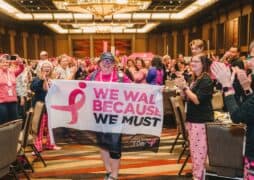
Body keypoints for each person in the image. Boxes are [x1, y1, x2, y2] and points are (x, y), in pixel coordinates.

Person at [86, 52, 131, 180]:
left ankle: (114, 175)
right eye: (104, 61)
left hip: (117, 117)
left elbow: (136, 90)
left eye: (109, 61)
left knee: (115, 146)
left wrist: (154, 90)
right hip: (98, 116)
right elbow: (81, 89)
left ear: (114, 64)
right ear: (99, 63)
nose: (106, 64)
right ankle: (108, 170)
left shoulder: (121, 77)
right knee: (103, 144)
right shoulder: (93, 76)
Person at [174, 55, 214, 180]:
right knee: (195, 152)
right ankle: (197, 175)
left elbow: (197, 100)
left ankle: (198, 177)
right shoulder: (195, 78)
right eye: (192, 61)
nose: (193, 63)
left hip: (200, 120)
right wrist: (181, 88)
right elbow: (186, 97)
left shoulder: (206, 80)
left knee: (199, 153)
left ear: (203, 64)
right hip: (193, 119)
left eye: (196, 61)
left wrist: (185, 87)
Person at [30, 60, 61, 152]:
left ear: (51, 69)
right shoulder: (37, 78)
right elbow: (33, 88)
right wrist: (42, 80)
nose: (47, 68)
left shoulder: (54, 78)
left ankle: (50, 144)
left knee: (51, 126)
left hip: (51, 106)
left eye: (48, 67)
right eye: (45, 66)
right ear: (41, 68)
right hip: (41, 106)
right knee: (39, 126)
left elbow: (58, 92)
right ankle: (37, 146)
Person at [0, 54, 24, 125]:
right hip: (1, 103)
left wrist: (20, 62)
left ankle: (13, 136)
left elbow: (21, 69)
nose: (5, 64)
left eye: (7, 62)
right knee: (4, 123)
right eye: (2, 62)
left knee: (14, 122)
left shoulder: (12, 72)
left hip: (13, 101)